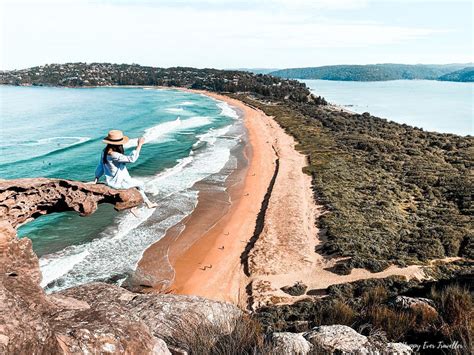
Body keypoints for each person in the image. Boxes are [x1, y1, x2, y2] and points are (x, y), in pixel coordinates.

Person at [93, 129, 157, 214]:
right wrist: (139, 145)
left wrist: (96, 177)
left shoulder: (104, 152)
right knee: (140, 185)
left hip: (112, 181)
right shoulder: (114, 155)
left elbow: (101, 165)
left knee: (136, 186)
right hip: (120, 182)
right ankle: (135, 206)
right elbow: (131, 159)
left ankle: (148, 203)